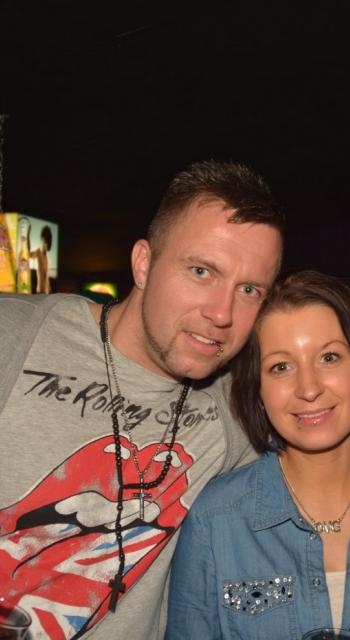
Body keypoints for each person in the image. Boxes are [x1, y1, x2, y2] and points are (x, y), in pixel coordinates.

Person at [0, 159, 284, 640]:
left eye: (249, 289)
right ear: (144, 264)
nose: (221, 313)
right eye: (201, 271)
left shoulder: (236, 405)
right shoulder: (16, 334)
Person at [165, 270, 350, 639]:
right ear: (257, 389)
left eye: (329, 357)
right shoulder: (215, 519)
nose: (309, 388)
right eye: (281, 367)